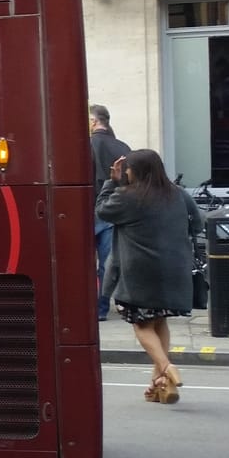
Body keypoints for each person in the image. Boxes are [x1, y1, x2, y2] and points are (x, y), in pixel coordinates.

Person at [96, 148, 201, 404]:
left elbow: (101, 210)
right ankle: (161, 386)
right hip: (175, 270)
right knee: (159, 322)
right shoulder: (177, 194)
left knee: (141, 324)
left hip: (139, 273)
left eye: (128, 169)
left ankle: (167, 368)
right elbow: (197, 222)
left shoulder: (127, 196)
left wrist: (112, 180)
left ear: (135, 171)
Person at [89, 105, 131, 323]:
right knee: (109, 263)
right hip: (113, 213)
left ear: (94, 122)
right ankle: (102, 308)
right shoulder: (121, 146)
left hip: (85, 212)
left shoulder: (83, 145)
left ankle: (86, 305)